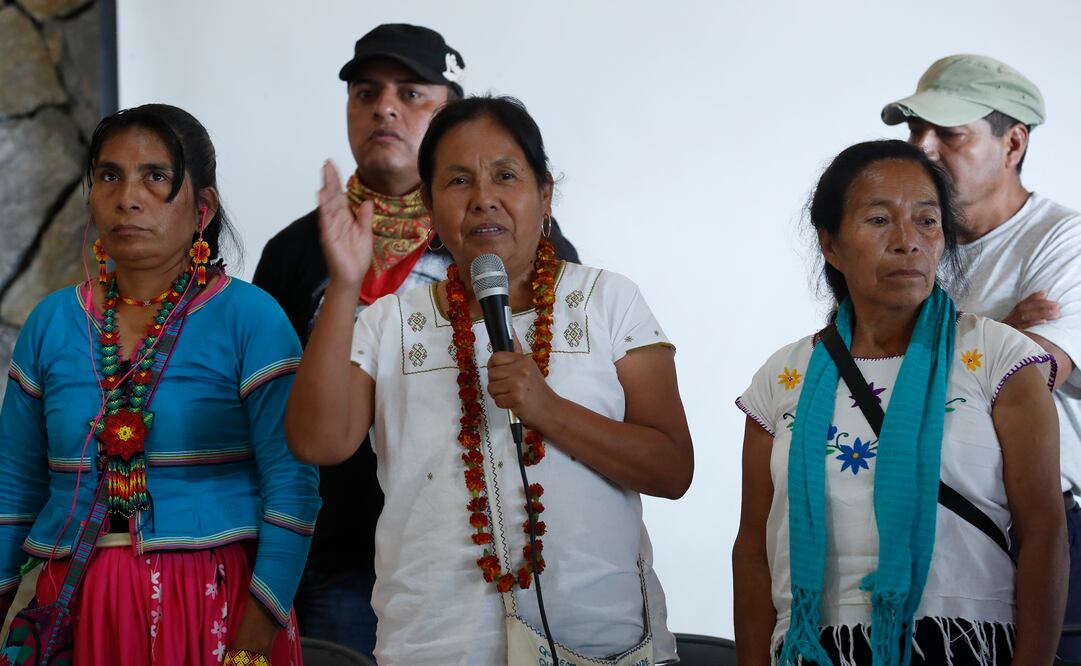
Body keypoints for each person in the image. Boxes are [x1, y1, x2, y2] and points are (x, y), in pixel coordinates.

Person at [285, 96, 691, 665]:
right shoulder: (389, 322)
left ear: (544, 193)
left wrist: (547, 409)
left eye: (506, 175)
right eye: (457, 181)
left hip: (606, 643)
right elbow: (317, 442)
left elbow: (673, 468)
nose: (483, 199)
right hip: (436, 645)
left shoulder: (607, 301)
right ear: (428, 203)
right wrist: (346, 284)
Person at [252, 25, 579, 658]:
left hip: (488, 543)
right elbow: (273, 420)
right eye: (366, 93)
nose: (385, 108)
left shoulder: (520, 240)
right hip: (339, 555)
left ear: (449, 108)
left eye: (411, 92)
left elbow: (564, 387)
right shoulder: (296, 250)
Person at [0, 104, 320, 665]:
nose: (128, 196)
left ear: (203, 207)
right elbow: (13, 491)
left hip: (215, 602)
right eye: (108, 175)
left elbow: (292, 492)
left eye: (156, 177)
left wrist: (249, 646)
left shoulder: (251, 319)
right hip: (73, 608)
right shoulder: (51, 324)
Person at [732, 139, 1066, 665]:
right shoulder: (782, 376)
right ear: (831, 244)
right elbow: (753, 548)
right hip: (814, 648)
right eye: (879, 220)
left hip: (963, 645)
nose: (908, 241)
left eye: (927, 221)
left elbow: (1045, 531)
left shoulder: (1001, 358)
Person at [881, 53, 1081, 658]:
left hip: (1035, 526)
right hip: (913, 519)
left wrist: (983, 353)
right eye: (916, 131)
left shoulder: (1061, 241)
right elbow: (856, 376)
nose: (924, 149)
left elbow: (1037, 371)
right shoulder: (913, 246)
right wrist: (1001, 335)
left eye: (949, 133)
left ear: (1013, 142)